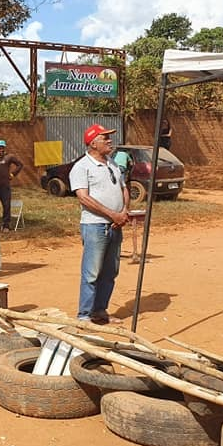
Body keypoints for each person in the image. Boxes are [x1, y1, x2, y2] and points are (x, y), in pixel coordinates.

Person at [69, 124, 130, 325]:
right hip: (96, 226)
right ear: (93, 143)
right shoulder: (82, 167)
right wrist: (113, 214)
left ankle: (100, 311)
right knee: (92, 273)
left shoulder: (111, 163)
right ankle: (84, 316)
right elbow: (84, 199)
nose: (110, 141)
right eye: (105, 138)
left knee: (110, 272)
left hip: (115, 226)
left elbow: (123, 188)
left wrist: (123, 212)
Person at [0, 139, 23, 231]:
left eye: (3, 147)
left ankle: (6, 225)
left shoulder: (9, 157)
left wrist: (13, 174)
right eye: (0, 148)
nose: (1, 149)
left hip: (4, 187)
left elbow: (20, 165)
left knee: (6, 206)